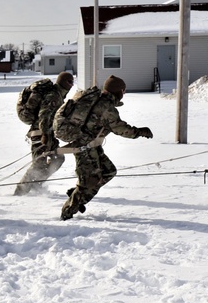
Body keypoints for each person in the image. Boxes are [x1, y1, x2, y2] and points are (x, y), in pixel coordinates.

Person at [59, 75, 153, 220]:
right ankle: (67, 214)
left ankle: (78, 198)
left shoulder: (96, 99)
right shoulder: (106, 107)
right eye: (124, 91)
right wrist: (141, 132)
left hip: (90, 144)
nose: (124, 94)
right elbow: (121, 129)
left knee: (108, 171)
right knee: (89, 181)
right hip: (84, 146)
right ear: (119, 91)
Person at [15, 71, 74, 195]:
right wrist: (45, 135)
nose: (72, 84)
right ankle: (20, 192)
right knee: (39, 163)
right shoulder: (54, 95)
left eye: (72, 81)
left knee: (58, 158)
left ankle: (37, 184)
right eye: (69, 81)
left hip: (48, 133)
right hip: (40, 133)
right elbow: (44, 115)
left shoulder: (58, 95)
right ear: (62, 81)